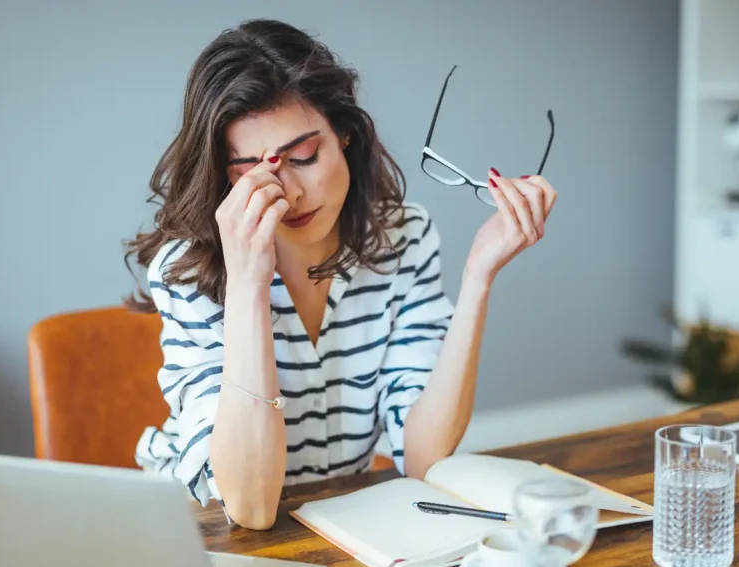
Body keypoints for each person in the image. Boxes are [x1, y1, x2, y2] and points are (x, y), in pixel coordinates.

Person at [124, 18, 557, 530]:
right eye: (252, 174)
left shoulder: (402, 238)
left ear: (346, 134)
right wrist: (247, 286)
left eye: (304, 156)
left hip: (334, 527)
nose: (290, 193)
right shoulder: (188, 272)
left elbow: (423, 460)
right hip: (199, 533)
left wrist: (478, 278)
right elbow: (251, 507)